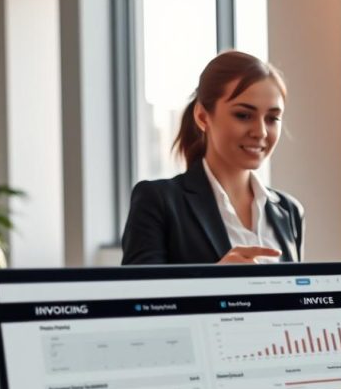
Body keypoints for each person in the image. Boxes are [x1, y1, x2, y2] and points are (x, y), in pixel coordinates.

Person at [121, 51, 303, 265]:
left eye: (272, 118)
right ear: (202, 117)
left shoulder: (289, 210)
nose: (261, 131)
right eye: (243, 115)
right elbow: (141, 297)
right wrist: (216, 280)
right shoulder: (158, 201)